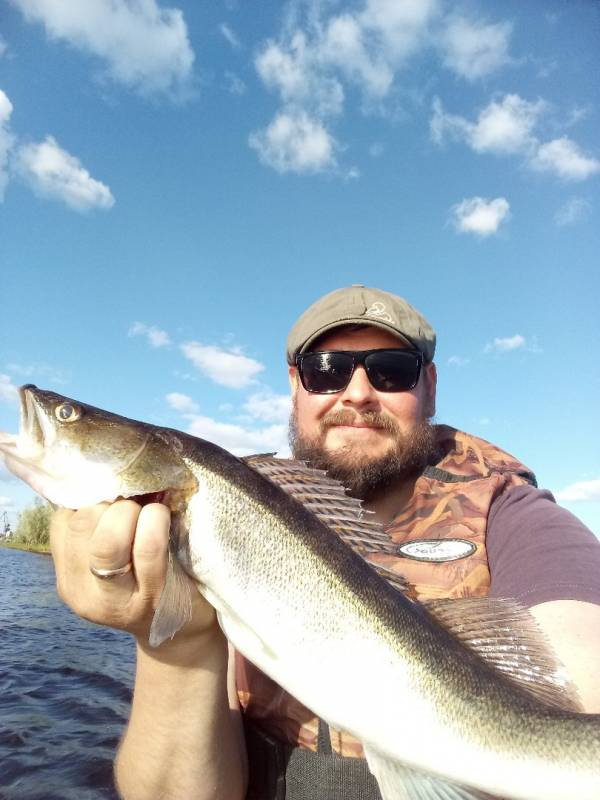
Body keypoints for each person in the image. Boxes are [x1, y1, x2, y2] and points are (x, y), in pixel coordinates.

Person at [50, 285, 600, 800]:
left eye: (391, 371)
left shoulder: (515, 516)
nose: (357, 393)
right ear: (296, 386)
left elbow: (583, 665)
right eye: (327, 370)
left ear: (429, 386)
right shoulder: (239, 509)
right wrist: (172, 642)